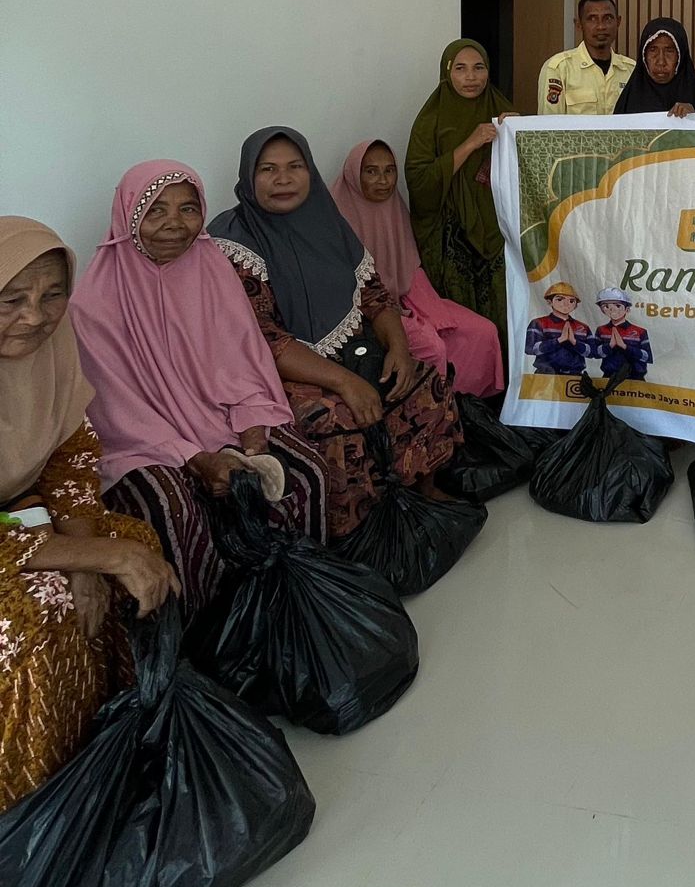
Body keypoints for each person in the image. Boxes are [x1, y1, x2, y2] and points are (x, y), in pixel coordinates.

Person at [71, 161, 329, 620]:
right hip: (144, 440)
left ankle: (301, 608)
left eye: (188, 209)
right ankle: (208, 633)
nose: (175, 223)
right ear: (128, 217)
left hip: (227, 415)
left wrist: (252, 436)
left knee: (307, 472)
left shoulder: (212, 268)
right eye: (156, 210)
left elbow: (245, 361)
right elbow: (118, 408)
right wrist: (197, 458)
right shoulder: (93, 302)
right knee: (172, 507)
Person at [0, 217, 179, 811]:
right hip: (12, 539)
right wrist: (95, 554)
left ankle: (119, 749)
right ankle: (35, 807)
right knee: (31, 614)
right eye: (11, 299)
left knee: (136, 543)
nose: (35, 317)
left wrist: (89, 559)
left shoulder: (50, 351)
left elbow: (70, 460)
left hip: (21, 517)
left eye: (53, 295)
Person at [211, 127, 462, 536]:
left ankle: (421, 492)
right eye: (268, 169)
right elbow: (266, 340)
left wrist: (398, 348)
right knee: (335, 417)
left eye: (295, 167)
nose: (283, 179)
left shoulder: (327, 221)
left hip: (346, 351)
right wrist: (346, 382)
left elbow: (374, 294)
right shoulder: (233, 241)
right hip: (274, 371)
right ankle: (356, 532)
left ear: (309, 171)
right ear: (248, 176)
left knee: (422, 381)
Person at [333, 139, 505, 398]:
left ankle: (472, 404)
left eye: (389, 170)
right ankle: (438, 409)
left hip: (406, 299)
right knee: (432, 346)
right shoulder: (335, 216)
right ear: (354, 174)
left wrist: (433, 313)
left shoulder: (393, 205)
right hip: (365, 314)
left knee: (482, 331)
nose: (383, 180)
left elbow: (410, 268)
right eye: (371, 171)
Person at [404, 38, 518, 330]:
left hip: (497, 231)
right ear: (447, 72)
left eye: (479, 67)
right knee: (461, 322)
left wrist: (521, 133)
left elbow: (530, 172)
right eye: (461, 68)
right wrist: (470, 143)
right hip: (451, 236)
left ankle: (501, 361)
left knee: (503, 314)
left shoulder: (502, 109)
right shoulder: (431, 119)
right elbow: (418, 181)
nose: (471, 77)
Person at [537, 0, 636, 115]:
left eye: (608, 18)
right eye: (592, 19)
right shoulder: (559, 68)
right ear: (579, 24)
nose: (601, 26)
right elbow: (548, 123)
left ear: (618, 22)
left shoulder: (631, 70)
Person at [612, 18, 695, 117]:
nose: (661, 62)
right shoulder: (628, 103)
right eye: (653, 50)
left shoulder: (694, 104)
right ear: (644, 56)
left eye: (669, 51)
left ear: (680, 57)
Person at [525, 282, 591, 376]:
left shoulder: (583, 327)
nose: (566, 304)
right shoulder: (538, 323)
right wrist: (558, 340)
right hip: (545, 376)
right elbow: (530, 348)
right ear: (549, 302)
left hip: (575, 375)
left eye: (571, 301)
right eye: (559, 299)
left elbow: (592, 352)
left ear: (576, 305)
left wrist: (574, 342)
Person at [591, 287, 652, 380]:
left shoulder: (640, 331)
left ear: (627, 309)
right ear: (602, 310)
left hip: (635, 379)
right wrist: (609, 346)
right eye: (606, 306)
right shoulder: (601, 330)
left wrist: (625, 347)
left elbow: (647, 357)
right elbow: (595, 354)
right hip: (609, 377)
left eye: (618, 306)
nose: (612, 309)